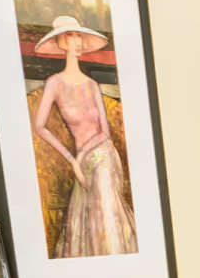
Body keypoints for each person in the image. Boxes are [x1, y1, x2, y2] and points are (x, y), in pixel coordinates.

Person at [31, 15, 136, 258]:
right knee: (90, 220)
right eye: (71, 35)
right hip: (83, 160)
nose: (77, 41)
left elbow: (105, 131)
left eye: (79, 35)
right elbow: (40, 126)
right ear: (60, 41)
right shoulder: (54, 83)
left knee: (108, 214)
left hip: (104, 157)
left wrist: (108, 160)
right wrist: (73, 160)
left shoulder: (91, 84)